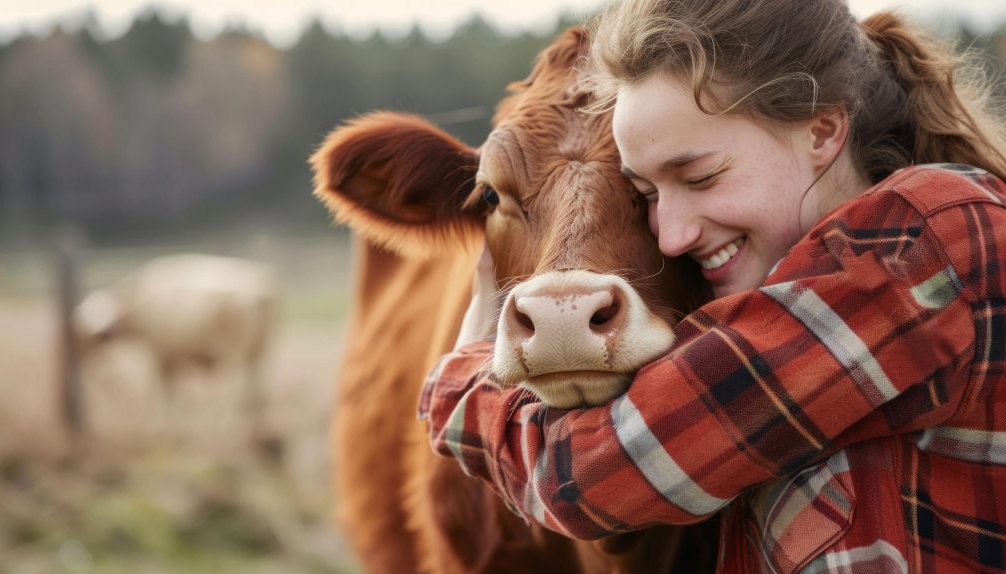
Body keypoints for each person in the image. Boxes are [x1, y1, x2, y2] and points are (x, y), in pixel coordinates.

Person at [418, 0, 1006, 571]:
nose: (670, 237)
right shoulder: (796, 290)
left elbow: (594, 478)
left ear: (822, 130)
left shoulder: (915, 253)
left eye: (699, 176)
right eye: (646, 195)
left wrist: (462, 377)